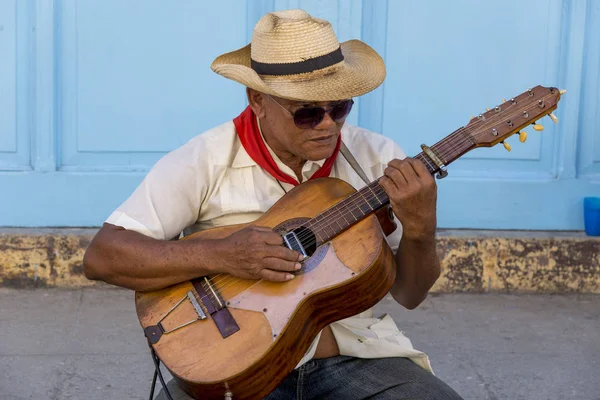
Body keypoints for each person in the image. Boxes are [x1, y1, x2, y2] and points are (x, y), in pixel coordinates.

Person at [83, 9, 463, 400]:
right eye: (308, 113)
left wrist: (421, 229)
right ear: (257, 100)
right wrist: (224, 255)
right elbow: (103, 257)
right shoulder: (204, 159)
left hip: (357, 356)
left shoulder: (379, 158)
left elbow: (410, 295)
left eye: (340, 109)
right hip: (237, 362)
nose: (328, 125)